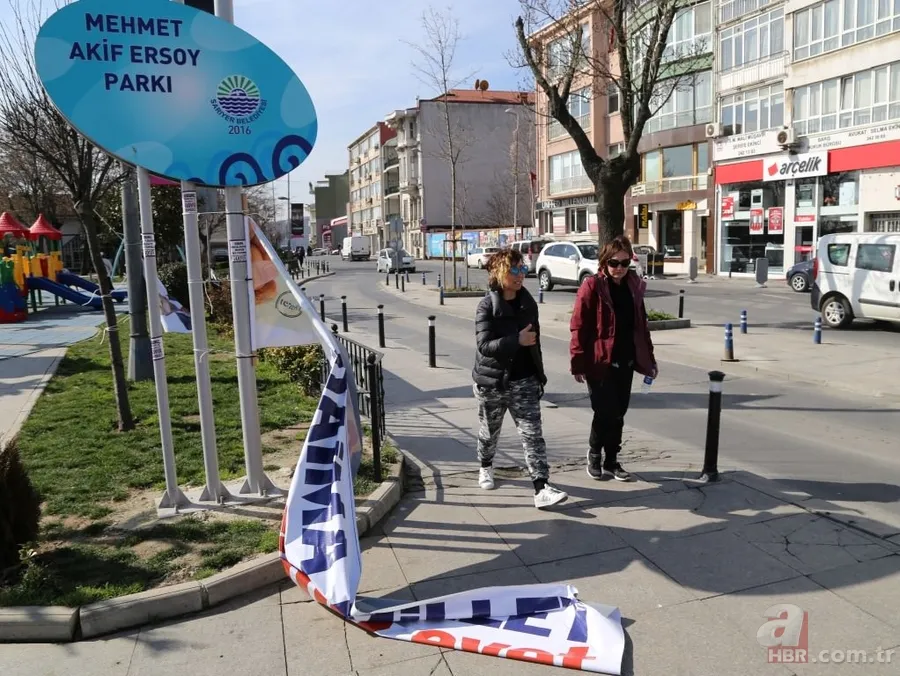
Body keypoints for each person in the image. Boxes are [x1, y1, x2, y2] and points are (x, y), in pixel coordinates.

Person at [472, 248, 567, 509]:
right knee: (490, 433)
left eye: (522, 269)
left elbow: (535, 344)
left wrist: (539, 376)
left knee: (532, 435)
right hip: (493, 382)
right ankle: (485, 466)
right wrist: (517, 340)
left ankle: (541, 487)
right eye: (514, 270)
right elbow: (484, 346)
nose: (520, 275)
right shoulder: (486, 305)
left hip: (524, 380)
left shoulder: (528, 303)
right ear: (499, 272)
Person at [569, 235, 658, 482]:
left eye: (624, 262)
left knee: (619, 412)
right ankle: (595, 454)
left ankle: (612, 460)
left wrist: (649, 359)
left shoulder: (633, 286)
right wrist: (577, 361)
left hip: (625, 359)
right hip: (599, 360)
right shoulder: (592, 286)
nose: (619, 268)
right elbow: (578, 325)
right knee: (604, 410)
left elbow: (641, 326)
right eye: (614, 263)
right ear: (604, 262)